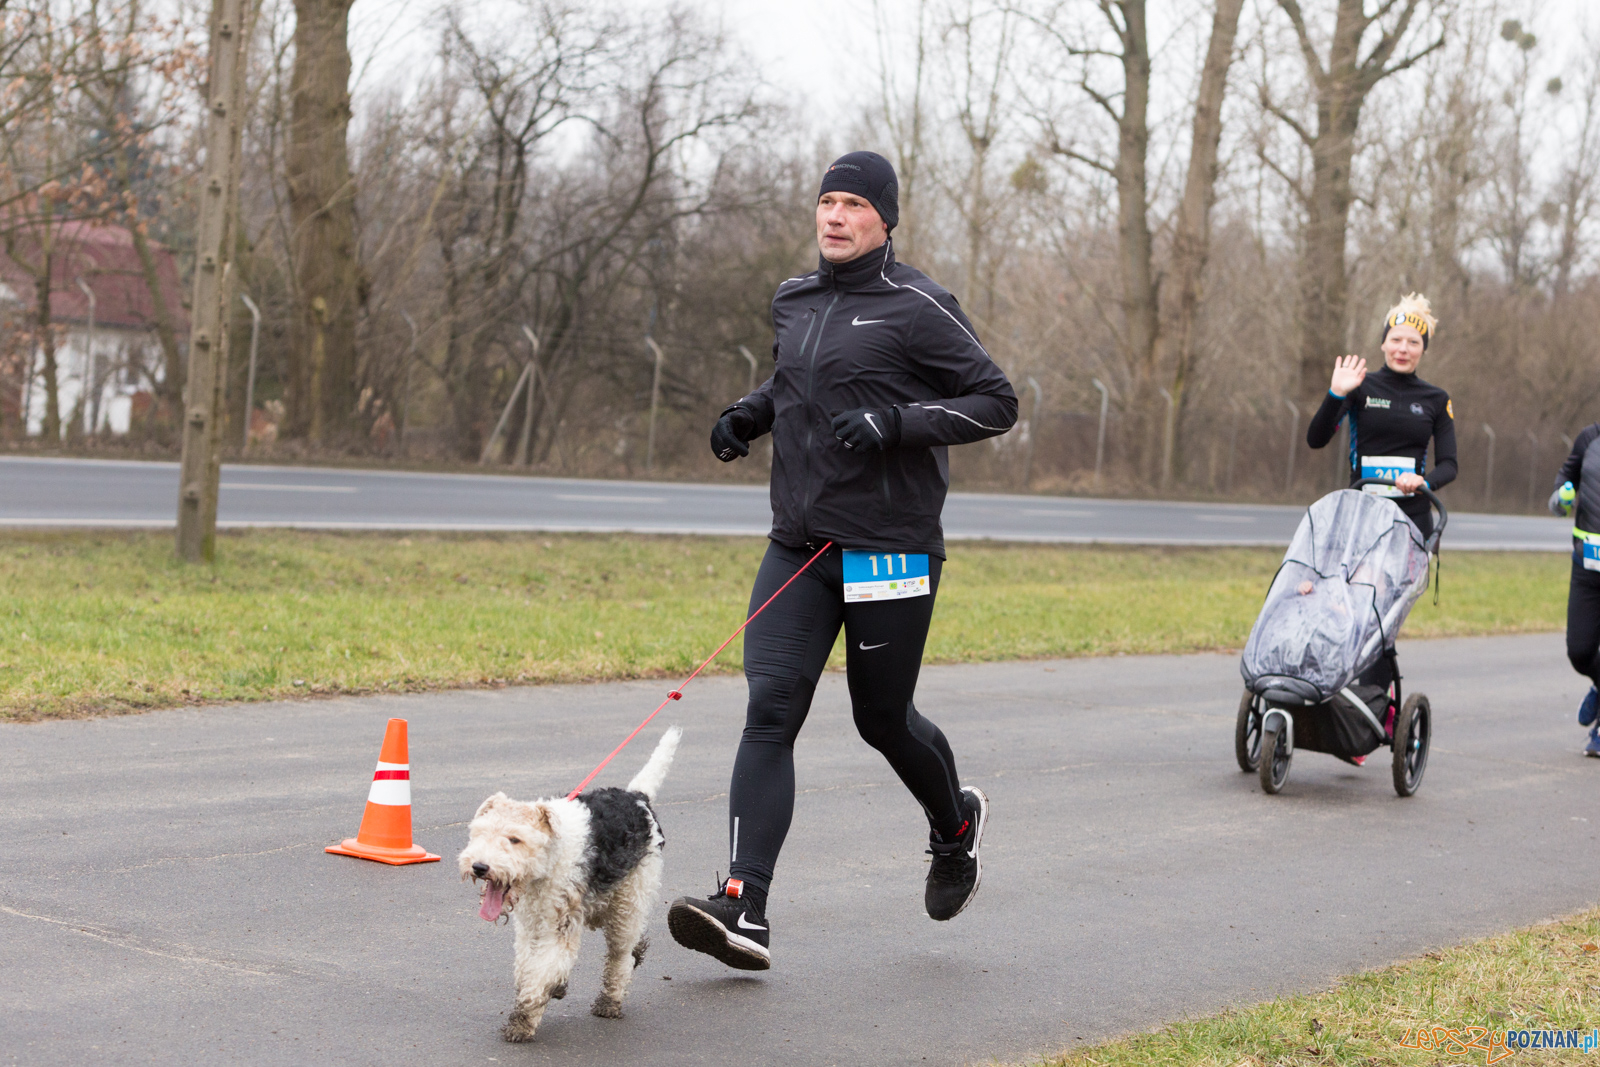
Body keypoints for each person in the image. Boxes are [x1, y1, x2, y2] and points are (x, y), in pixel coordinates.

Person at [665, 151, 1018, 971]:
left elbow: (995, 401)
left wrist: (897, 422)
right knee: (771, 708)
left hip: (888, 550)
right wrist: (748, 415)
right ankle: (744, 904)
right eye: (825, 201)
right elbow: (799, 381)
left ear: (884, 219)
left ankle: (955, 826)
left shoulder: (919, 304)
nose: (834, 216)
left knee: (881, 718)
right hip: (799, 545)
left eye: (852, 203)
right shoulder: (794, 296)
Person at [1305, 292, 1457, 702]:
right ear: (1383, 343)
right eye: (1397, 340)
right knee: (1338, 603)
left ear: (1423, 349)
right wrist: (1336, 394)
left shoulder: (1436, 400)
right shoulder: (1360, 387)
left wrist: (1421, 481)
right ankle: (1331, 688)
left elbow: (1450, 466)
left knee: (1377, 614)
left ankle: (1368, 705)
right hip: (1359, 517)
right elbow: (1316, 439)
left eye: (1413, 342)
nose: (1403, 349)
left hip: (1409, 524)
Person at [1548, 422, 1600, 756]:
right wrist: (1562, 495)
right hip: (1587, 566)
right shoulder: (1589, 438)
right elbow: (1561, 487)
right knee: (1579, 651)